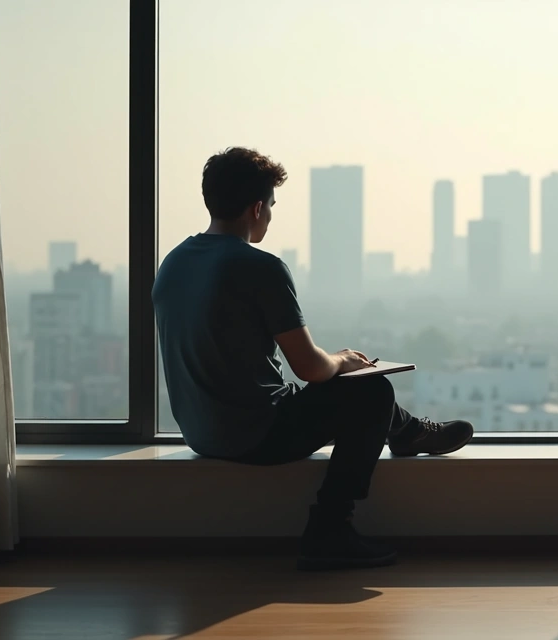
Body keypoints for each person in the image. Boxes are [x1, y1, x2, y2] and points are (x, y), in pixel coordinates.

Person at [152, 147, 474, 570]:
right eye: (271, 206)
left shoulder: (173, 263)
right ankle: (331, 528)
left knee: (356, 391)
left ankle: (407, 432)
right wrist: (342, 359)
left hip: (200, 432)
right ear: (256, 208)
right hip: (255, 433)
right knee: (373, 391)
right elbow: (310, 368)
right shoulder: (260, 267)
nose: (270, 216)